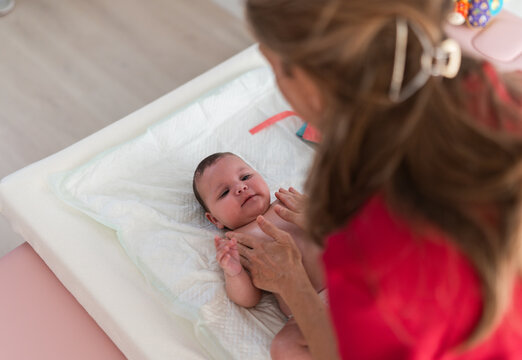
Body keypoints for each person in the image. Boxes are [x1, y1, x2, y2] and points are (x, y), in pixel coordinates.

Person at [222, 0, 522, 359]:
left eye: (276, 69)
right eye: (222, 192)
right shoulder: (496, 95)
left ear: (311, 83)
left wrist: (292, 282)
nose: (240, 188)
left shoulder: (373, 241)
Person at [193, 152, 325, 359]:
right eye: (224, 192)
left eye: (245, 177)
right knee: (283, 347)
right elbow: (249, 299)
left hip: (346, 283)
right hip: (302, 315)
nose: (240, 187)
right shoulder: (236, 243)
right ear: (214, 219)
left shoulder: (288, 203)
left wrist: (316, 216)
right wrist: (234, 273)